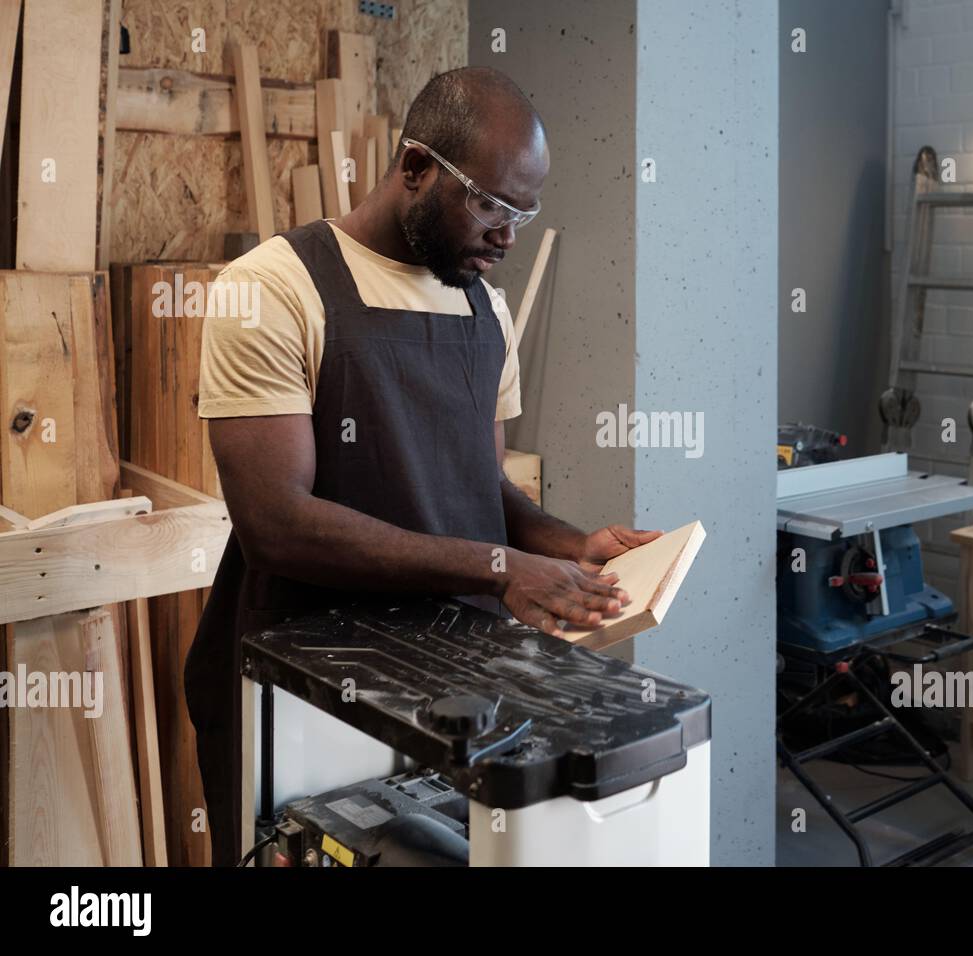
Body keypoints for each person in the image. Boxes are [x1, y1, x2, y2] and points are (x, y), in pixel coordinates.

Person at [185, 67, 660, 866]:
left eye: (525, 211)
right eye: (492, 204)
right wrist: (502, 567)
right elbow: (278, 525)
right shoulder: (273, 289)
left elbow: (484, 490)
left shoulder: (484, 308)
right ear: (415, 169)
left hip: (453, 683)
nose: (509, 236)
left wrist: (569, 546)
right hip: (306, 681)